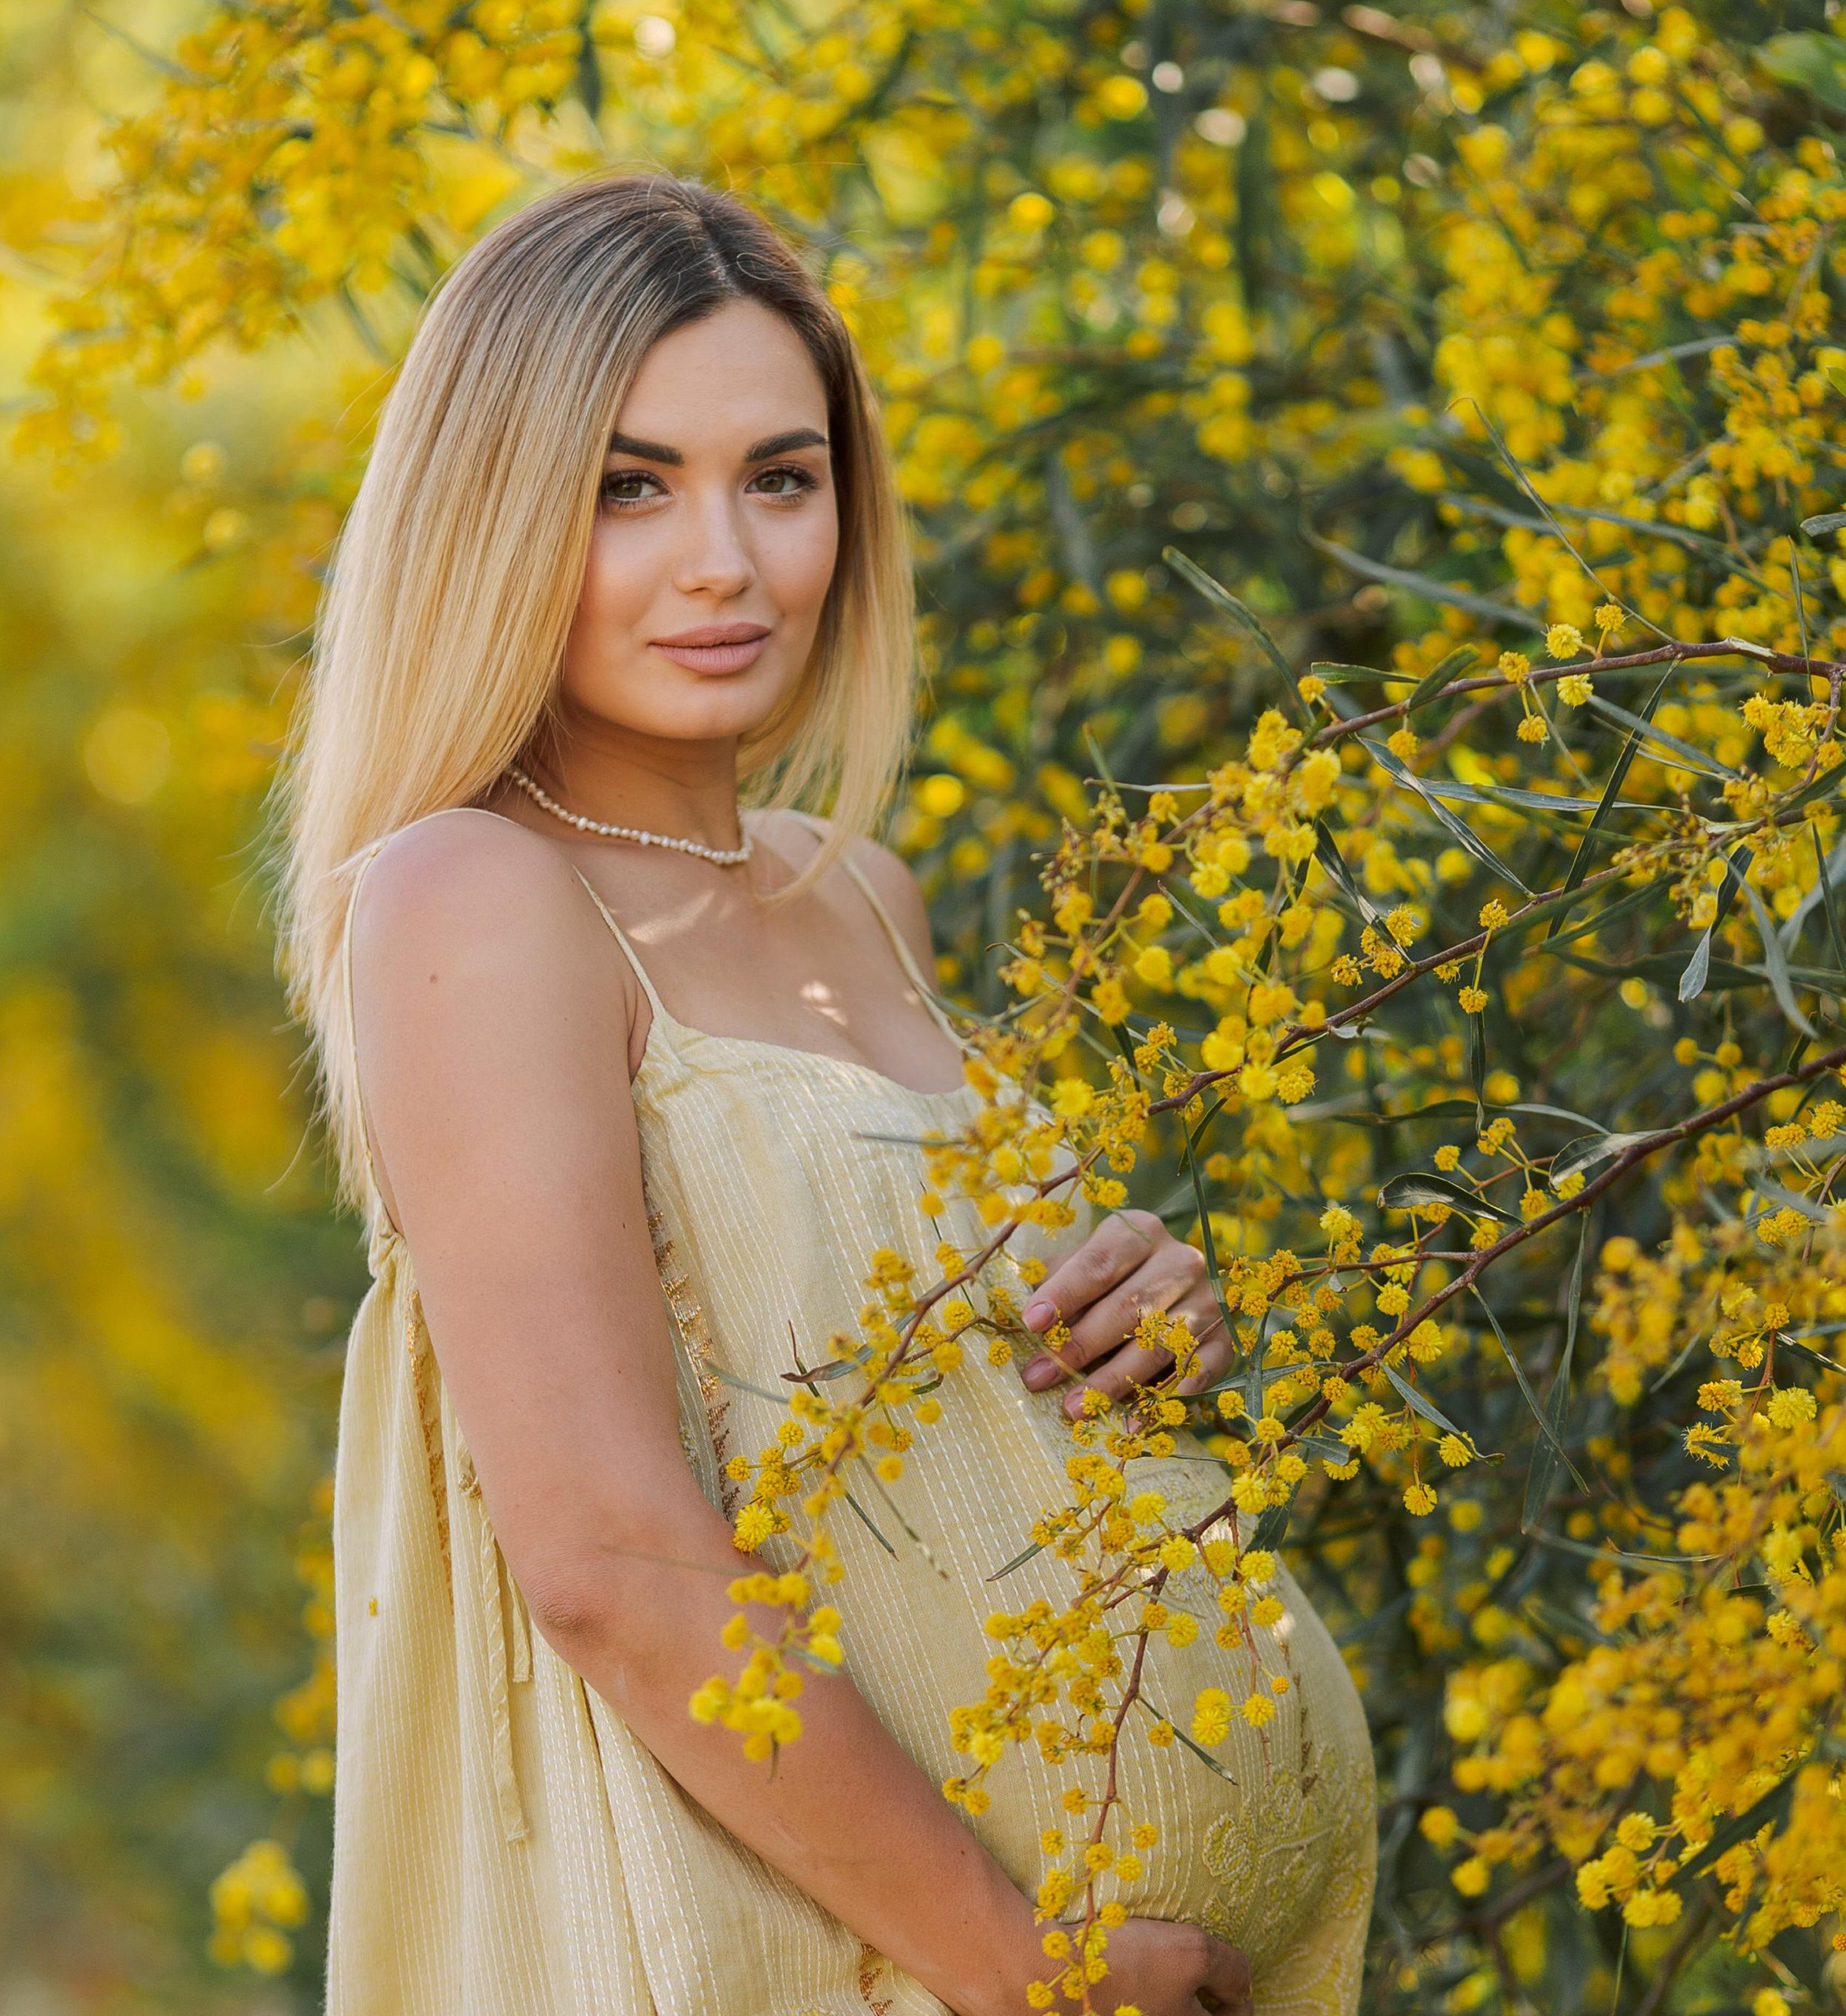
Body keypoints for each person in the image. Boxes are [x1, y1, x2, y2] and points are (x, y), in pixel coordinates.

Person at [276, 171, 1375, 2016]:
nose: (726, 560)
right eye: (630, 486)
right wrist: (1024, 1966)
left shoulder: (848, 889)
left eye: (778, 479)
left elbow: (896, 1396)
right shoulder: (476, 896)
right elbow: (608, 1559)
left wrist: (1139, 1309)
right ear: (487, 514)